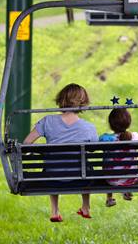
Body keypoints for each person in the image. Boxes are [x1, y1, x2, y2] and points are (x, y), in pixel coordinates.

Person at [23, 83, 98, 222]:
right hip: (79, 179)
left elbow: (26, 143)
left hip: (52, 178)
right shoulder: (89, 127)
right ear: (83, 102)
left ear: (61, 99)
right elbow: (93, 149)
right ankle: (86, 206)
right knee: (85, 163)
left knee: (53, 164)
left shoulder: (47, 121)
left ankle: (55, 211)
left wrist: (38, 153)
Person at [99, 108, 138, 207]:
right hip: (131, 179)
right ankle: (127, 190)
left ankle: (109, 198)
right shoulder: (135, 137)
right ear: (129, 123)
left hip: (111, 180)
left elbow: (100, 139)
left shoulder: (106, 139)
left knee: (108, 163)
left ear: (110, 124)